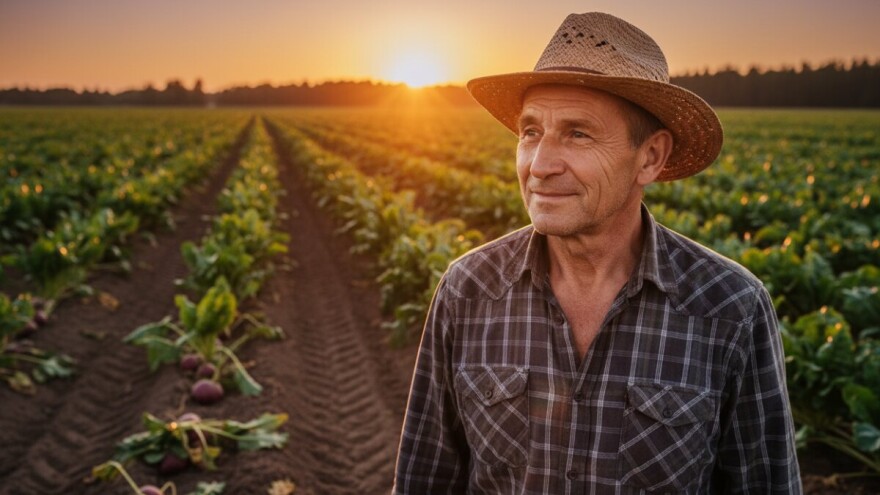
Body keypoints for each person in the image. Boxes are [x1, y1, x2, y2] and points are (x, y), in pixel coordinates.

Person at [393, 11, 801, 495]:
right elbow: (424, 480)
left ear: (650, 157)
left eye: (578, 133)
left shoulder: (730, 307)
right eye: (530, 132)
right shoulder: (469, 289)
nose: (539, 165)